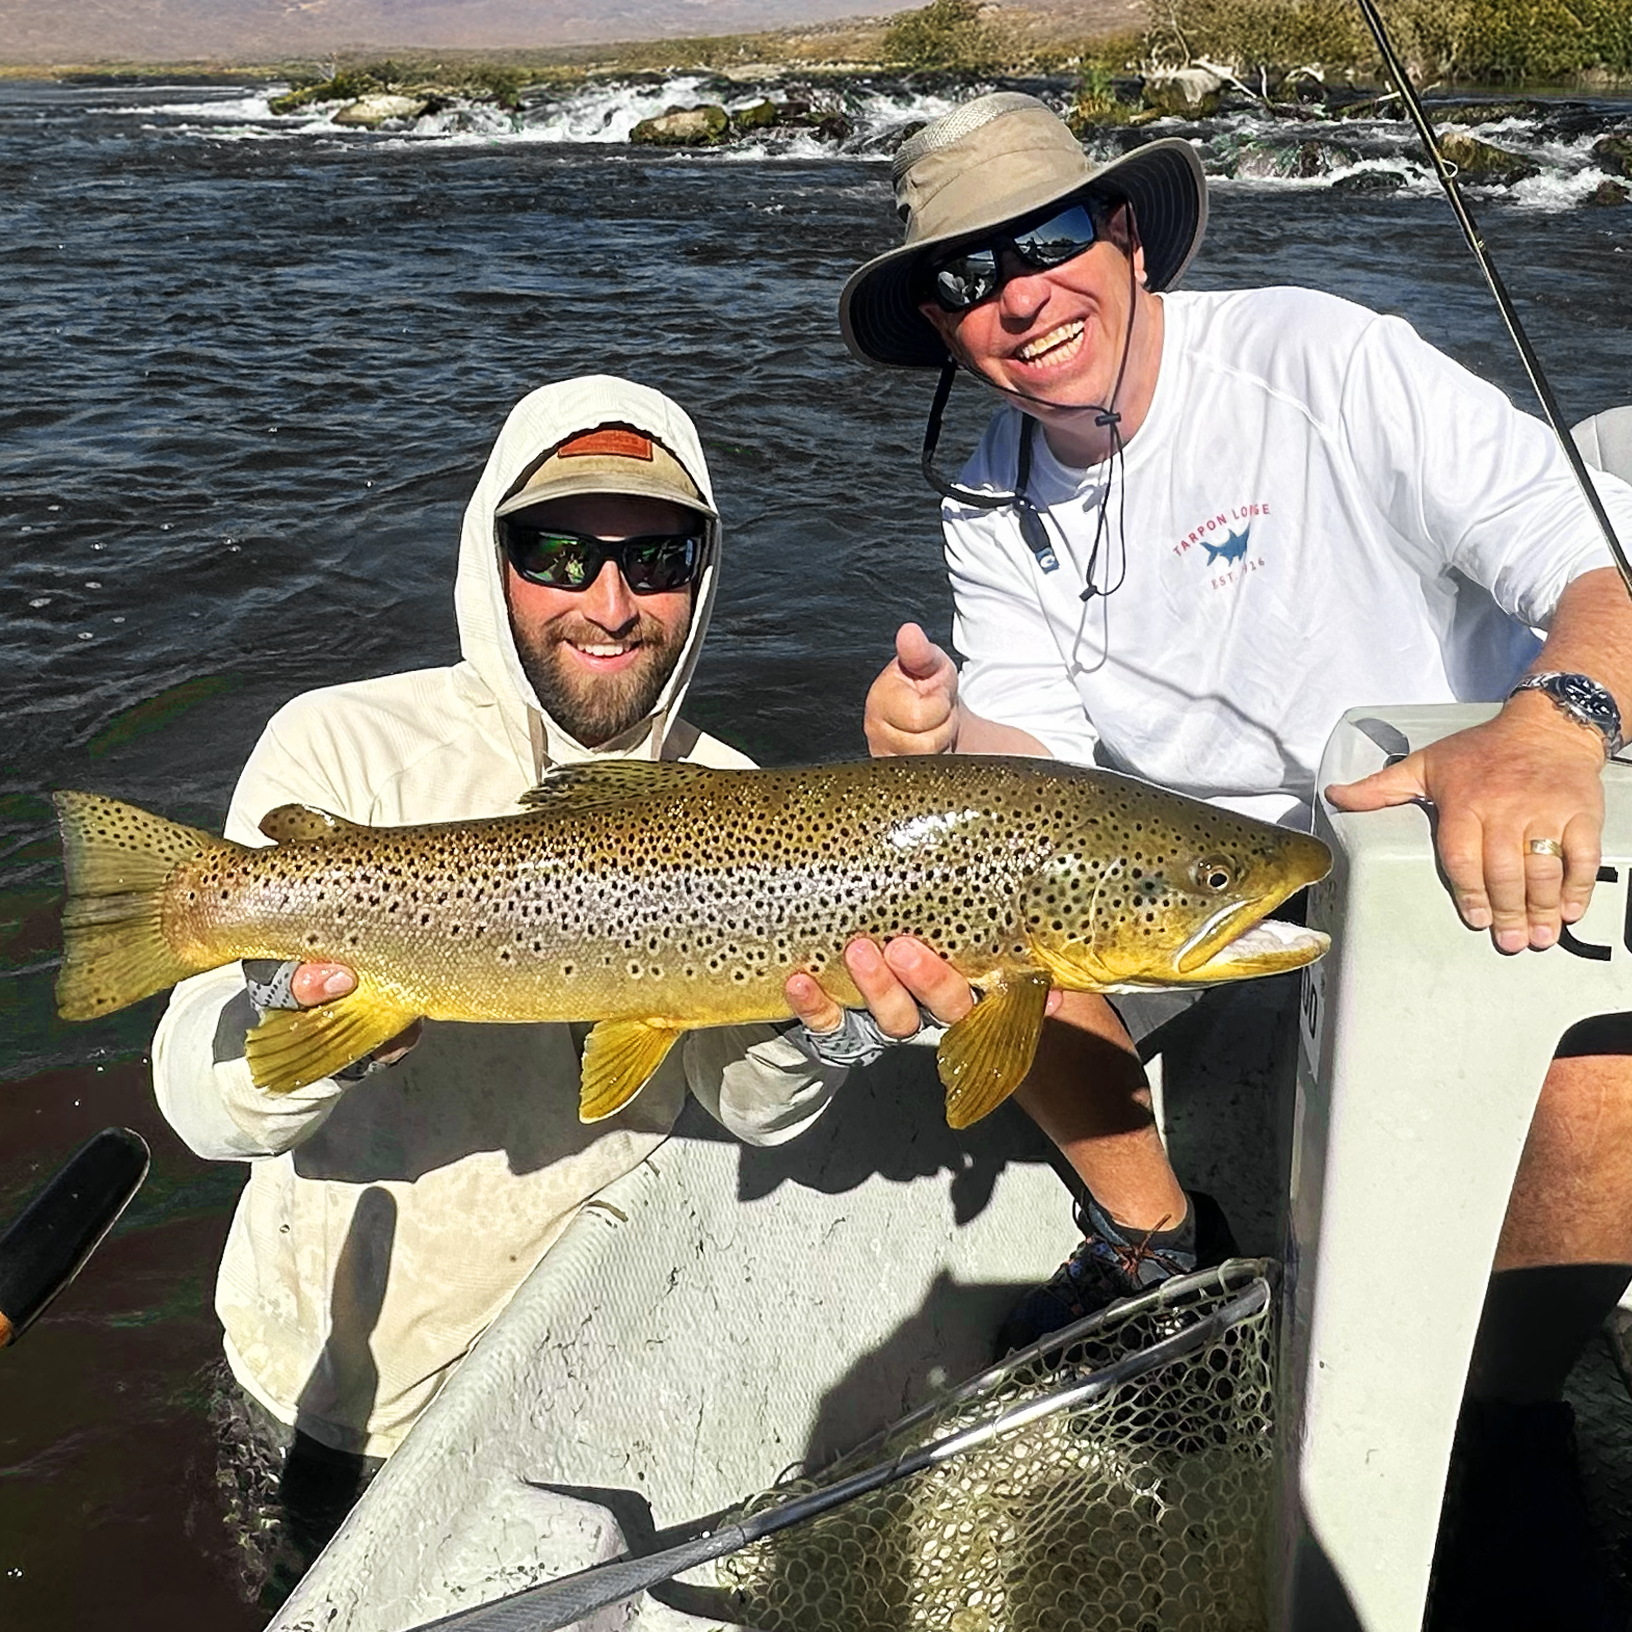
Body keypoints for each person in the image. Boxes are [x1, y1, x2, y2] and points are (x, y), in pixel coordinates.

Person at [831, 92, 1632, 1626]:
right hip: (1185, 884)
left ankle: (1504, 1410)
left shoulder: (1325, 361)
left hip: (1428, 841)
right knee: (989, 931)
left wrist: (1556, 721)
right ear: (938, 320)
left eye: (1048, 240)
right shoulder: (990, 488)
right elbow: (1033, 780)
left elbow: (1596, 578)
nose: (1017, 298)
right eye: (964, 278)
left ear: (1126, 232)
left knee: (1609, 1058)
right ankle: (1154, 1247)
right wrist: (929, 770)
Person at [149, 376, 852, 1603]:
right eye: (560, 551)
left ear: (705, 569)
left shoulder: (744, 801)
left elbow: (747, 1106)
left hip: (580, 1366)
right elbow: (198, 1106)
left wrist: (823, 1033)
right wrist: (298, 1033)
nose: (611, 603)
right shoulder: (343, 747)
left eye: (658, 557)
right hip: (323, 1392)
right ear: (495, 555)